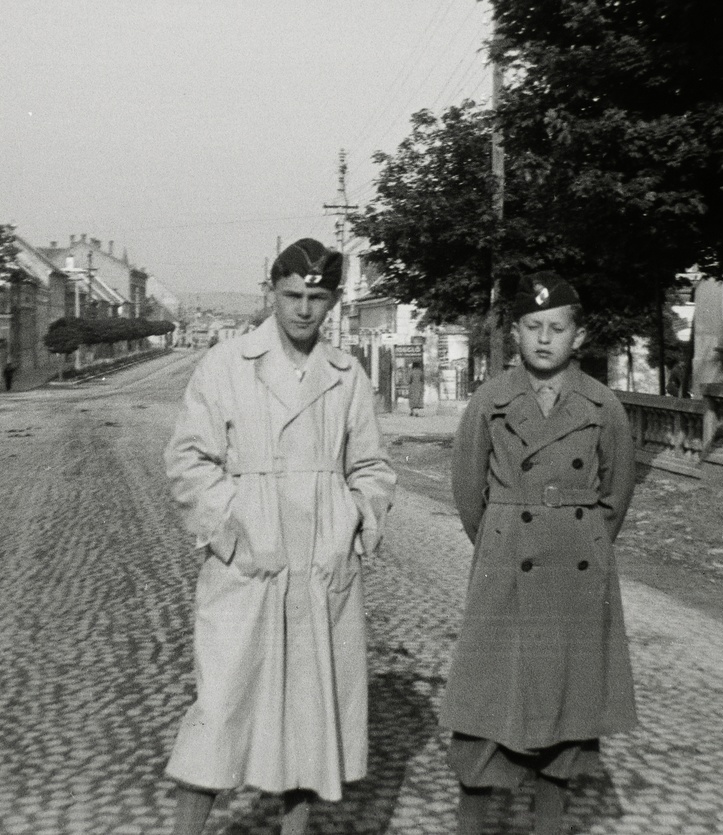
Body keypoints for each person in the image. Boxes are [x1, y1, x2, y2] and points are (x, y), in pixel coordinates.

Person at [164, 238, 397, 835]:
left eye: (317, 298)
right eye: (292, 295)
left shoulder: (347, 377)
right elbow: (189, 461)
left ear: (334, 302)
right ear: (271, 292)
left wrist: (350, 527)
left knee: (309, 715)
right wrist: (234, 535)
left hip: (320, 566)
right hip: (249, 564)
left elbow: (371, 469)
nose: (302, 310)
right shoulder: (226, 364)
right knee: (220, 709)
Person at [441, 271, 640, 835]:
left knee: (568, 714)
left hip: (576, 573)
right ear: (516, 333)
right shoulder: (490, 401)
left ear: (578, 337)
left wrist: (579, 540)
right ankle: (474, 822)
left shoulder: (604, 406)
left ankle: (549, 821)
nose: (544, 339)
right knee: (486, 702)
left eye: (557, 328)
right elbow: (466, 490)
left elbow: (615, 497)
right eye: (533, 327)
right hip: (506, 567)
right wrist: (504, 541)